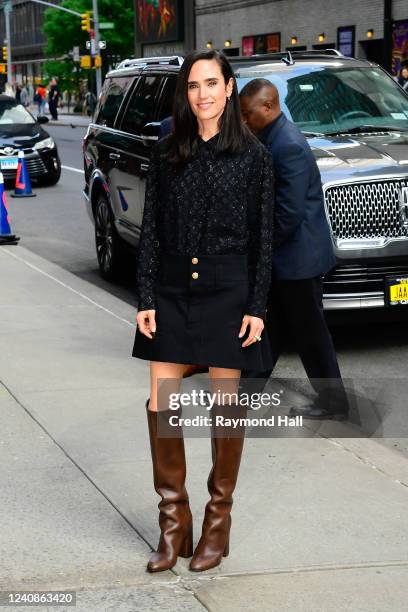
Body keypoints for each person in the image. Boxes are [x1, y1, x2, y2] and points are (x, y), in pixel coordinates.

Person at [132, 50, 275, 572]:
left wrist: (257, 306)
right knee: (161, 401)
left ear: (230, 87)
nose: (202, 94)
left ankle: (218, 523)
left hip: (227, 288)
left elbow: (264, 239)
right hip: (171, 285)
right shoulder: (168, 151)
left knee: (224, 404)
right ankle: (174, 523)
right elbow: (150, 229)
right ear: (185, 93)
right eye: (193, 86)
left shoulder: (255, 156)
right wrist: (146, 296)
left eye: (211, 83)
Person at [239, 78, 348, 420]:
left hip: (298, 260)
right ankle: (247, 393)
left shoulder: (288, 146)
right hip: (288, 258)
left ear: (269, 108)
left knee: (310, 335)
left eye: (247, 114)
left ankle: (335, 403)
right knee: (272, 328)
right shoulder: (271, 138)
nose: (243, 121)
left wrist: (258, 250)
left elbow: (288, 213)